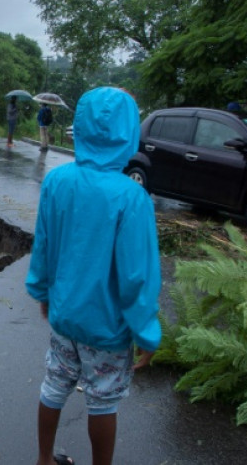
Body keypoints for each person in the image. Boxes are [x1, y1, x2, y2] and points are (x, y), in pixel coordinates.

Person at [26, 87, 161, 465]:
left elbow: (44, 246)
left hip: (65, 316)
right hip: (107, 327)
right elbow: (137, 276)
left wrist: (42, 294)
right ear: (129, 132)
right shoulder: (131, 197)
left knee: (54, 384)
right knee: (103, 400)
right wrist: (146, 331)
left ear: (80, 126)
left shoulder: (57, 181)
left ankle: (44, 459)